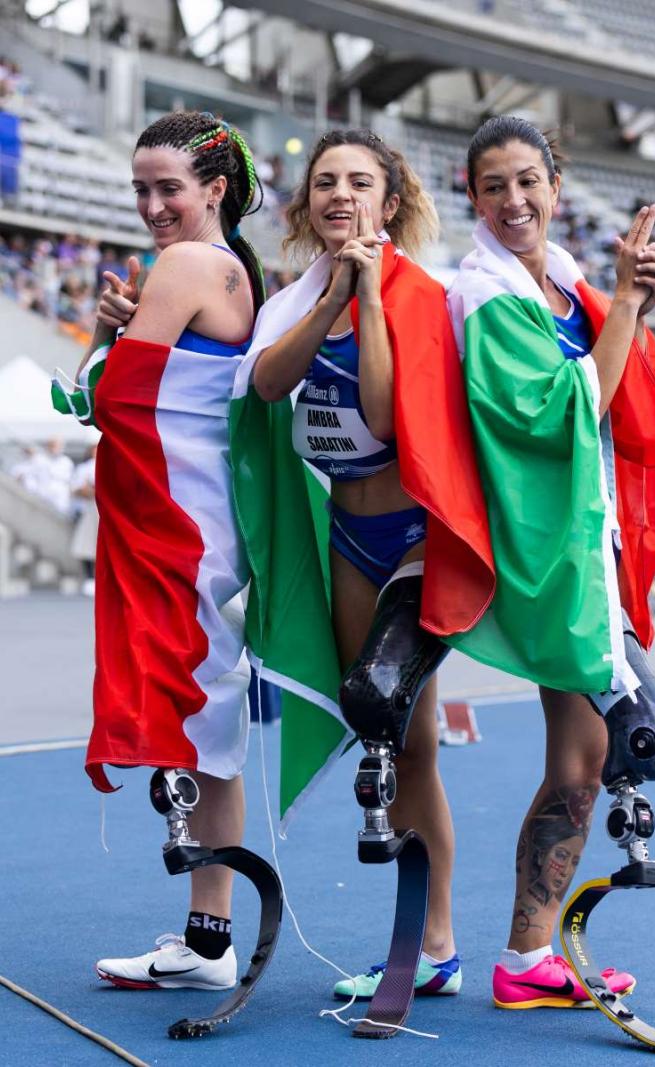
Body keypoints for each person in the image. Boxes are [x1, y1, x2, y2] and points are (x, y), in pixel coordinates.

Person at [52, 109, 309, 993]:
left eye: (170, 188)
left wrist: (101, 338)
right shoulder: (236, 267)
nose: (154, 205)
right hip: (209, 526)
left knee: (204, 720)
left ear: (216, 189)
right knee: (210, 729)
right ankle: (207, 938)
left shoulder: (186, 263)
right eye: (142, 189)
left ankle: (211, 941)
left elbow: (100, 400)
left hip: (181, 527)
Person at [247, 128, 493, 1001]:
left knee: (407, 733)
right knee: (392, 733)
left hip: (418, 539)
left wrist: (373, 295)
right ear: (308, 204)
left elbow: (386, 419)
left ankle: (437, 938)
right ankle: (425, 943)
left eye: (359, 181)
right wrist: (331, 299)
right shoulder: (296, 296)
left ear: (390, 202)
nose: (339, 194)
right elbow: (269, 385)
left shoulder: (425, 295)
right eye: (324, 183)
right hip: (347, 537)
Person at [446, 116, 655, 1009]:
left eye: (527, 181)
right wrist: (622, 305)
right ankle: (498, 952)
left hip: (586, 543)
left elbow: (616, 385)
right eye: (494, 186)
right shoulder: (486, 293)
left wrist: (627, 303)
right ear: (473, 197)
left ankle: (525, 958)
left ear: (556, 181)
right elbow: (559, 413)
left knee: (582, 764)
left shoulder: (559, 285)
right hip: (545, 552)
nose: (513, 201)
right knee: (646, 740)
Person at [70, 442, 98, 596]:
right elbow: (75, 489)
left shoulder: (110, 463)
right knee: (87, 545)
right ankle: (89, 578)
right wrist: (88, 491)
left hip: (106, 511)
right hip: (89, 509)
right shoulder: (84, 468)